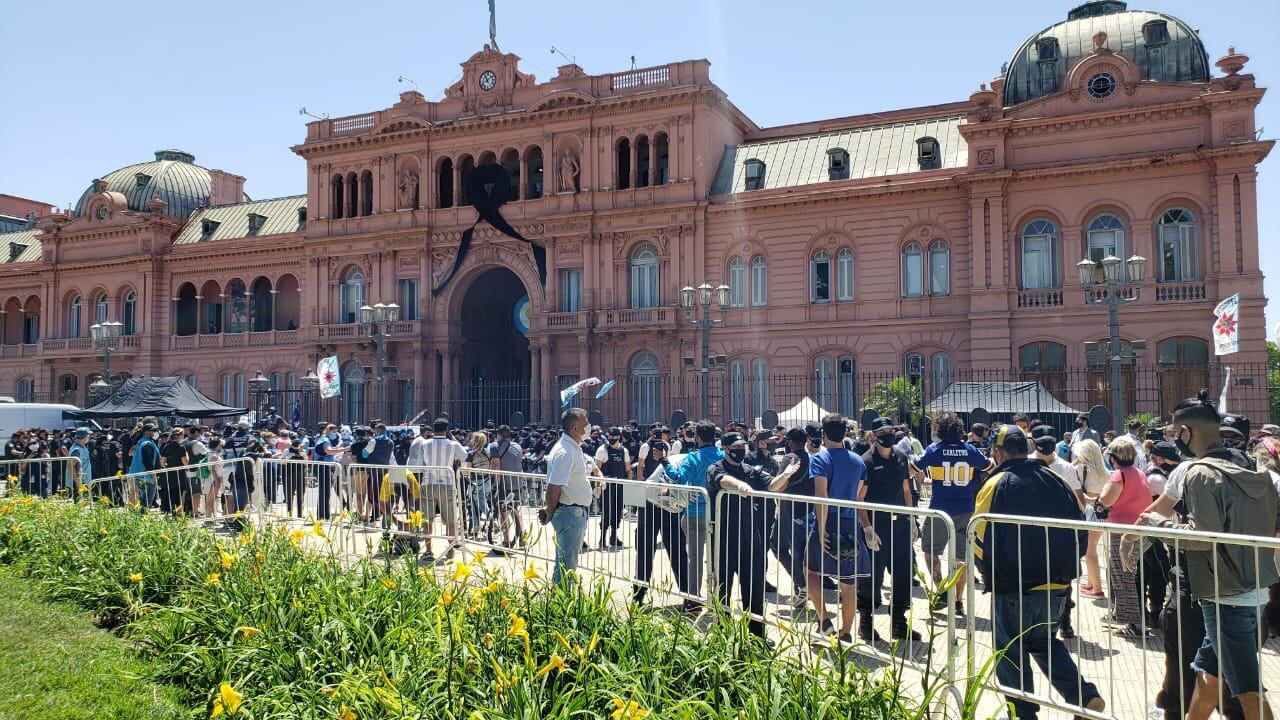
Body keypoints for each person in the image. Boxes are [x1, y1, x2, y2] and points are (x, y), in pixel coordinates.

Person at [1143, 392, 1280, 720]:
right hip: (1247, 588)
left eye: (1177, 433)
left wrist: (1158, 523)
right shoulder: (1254, 470)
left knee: (1247, 691)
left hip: (1226, 597)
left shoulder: (1199, 473)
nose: (1176, 440)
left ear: (1187, 432)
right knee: (1207, 677)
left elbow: (1201, 538)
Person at [973, 424, 1104, 720]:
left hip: (1013, 586)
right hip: (1056, 584)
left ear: (998, 451)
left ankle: (1022, 713)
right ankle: (1083, 696)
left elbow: (977, 536)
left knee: (1009, 652)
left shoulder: (996, 483)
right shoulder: (1056, 480)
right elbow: (1079, 528)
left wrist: (988, 572)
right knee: (1043, 643)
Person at [913, 411, 993, 615]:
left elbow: (913, 466)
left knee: (930, 550)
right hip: (966, 508)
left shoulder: (934, 450)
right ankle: (957, 599)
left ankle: (941, 590)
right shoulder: (969, 450)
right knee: (961, 557)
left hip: (940, 508)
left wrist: (927, 478)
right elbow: (989, 466)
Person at [707, 432, 783, 639]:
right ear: (725, 448)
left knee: (755, 590)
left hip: (751, 539)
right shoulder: (716, 468)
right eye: (735, 446)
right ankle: (722, 633)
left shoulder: (751, 470)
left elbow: (772, 485)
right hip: (723, 540)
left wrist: (788, 473)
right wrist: (739, 485)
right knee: (722, 589)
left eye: (742, 446)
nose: (740, 450)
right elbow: (722, 480)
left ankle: (757, 634)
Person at [806, 413, 872, 642]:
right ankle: (846, 633)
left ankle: (824, 619)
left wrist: (822, 528)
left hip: (828, 519)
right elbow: (859, 496)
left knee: (811, 571)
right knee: (849, 581)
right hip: (850, 521)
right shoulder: (858, 461)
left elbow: (821, 495)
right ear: (845, 433)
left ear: (823, 435)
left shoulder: (820, 460)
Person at [856, 417, 920, 642]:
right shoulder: (866, 461)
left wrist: (911, 518)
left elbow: (906, 489)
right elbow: (860, 499)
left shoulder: (901, 457)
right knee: (872, 576)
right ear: (873, 435)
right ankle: (866, 621)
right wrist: (867, 528)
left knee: (903, 573)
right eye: (882, 431)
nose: (887, 435)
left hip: (900, 523)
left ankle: (899, 622)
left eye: (890, 430)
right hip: (877, 525)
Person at [663, 420, 723, 613]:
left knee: (695, 559)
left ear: (697, 438)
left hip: (695, 512)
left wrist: (665, 462)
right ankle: (718, 599)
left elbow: (678, 477)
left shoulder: (693, 457)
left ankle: (693, 601)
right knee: (717, 559)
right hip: (718, 513)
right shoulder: (722, 455)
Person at [1097, 438, 1151, 637]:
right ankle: (1120, 613)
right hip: (1139, 530)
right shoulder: (1139, 473)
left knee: (1123, 575)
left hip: (1122, 533)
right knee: (1124, 572)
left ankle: (1134, 623)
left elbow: (1106, 500)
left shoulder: (1119, 476)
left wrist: (1102, 493)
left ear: (1113, 457)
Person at [632, 439, 690, 604]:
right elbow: (664, 487)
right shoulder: (685, 462)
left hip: (671, 505)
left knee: (678, 550)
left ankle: (689, 596)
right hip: (652, 502)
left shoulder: (691, 461)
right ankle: (638, 596)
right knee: (645, 550)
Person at [540, 408, 593, 586]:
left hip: (573, 512)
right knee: (566, 566)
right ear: (574, 428)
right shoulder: (566, 452)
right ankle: (561, 603)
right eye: (585, 425)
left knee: (567, 563)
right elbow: (554, 486)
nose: (589, 428)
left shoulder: (571, 448)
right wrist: (549, 511)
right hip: (570, 513)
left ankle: (561, 599)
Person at [411, 419, 467, 564]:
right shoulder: (452, 444)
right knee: (450, 519)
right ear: (447, 429)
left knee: (427, 519)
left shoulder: (424, 443)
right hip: (447, 482)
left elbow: (418, 465)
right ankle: (450, 548)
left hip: (428, 482)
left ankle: (429, 550)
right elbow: (464, 456)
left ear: (433, 430)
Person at [1071, 438, 1108, 599]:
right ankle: (1092, 583)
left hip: (1089, 511)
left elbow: (1068, 473)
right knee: (1091, 549)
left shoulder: (1079, 468)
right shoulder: (1104, 470)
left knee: (1089, 551)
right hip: (1101, 513)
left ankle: (1097, 589)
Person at [486, 425, 525, 549]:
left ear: (499, 435)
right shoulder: (518, 446)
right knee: (515, 511)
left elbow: (496, 466)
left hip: (504, 485)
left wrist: (495, 486)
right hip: (518, 484)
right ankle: (522, 537)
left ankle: (507, 540)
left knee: (503, 512)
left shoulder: (494, 446)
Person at [594, 427, 631, 549]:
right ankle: (602, 538)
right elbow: (597, 468)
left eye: (614, 438)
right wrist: (598, 484)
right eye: (610, 437)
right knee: (606, 511)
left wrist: (629, 484)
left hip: (619, 484)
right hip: (607, 485)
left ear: (619, 437)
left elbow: (628, 469)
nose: (611, 440)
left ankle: (614, 536)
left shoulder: (623, 450)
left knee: (618, 510)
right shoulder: (602, 450)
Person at [311, 424, 346, 520]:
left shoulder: (326, 440)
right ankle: (323, 516)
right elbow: (329, 451)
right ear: (329, 431)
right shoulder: (324, 440)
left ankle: (323, 515)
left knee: (326, 492)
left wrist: (339, 447)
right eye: (334, 431)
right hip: (323, 467)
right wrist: (346, 449)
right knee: (325, 492)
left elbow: (331, 449)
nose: (335, 434)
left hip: (325, 467)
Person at [127, 423, 161, 511]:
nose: (156, 433)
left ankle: (140, 516)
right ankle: (142, 516)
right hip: (145, 475)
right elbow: (148, 462)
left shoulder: (141, 442)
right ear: (146, 432)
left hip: (139, 474)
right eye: (153, 431)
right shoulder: (146, 444)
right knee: (146, 500)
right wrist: (153, 475)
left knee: (142, 499)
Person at [67, 428, 92, 496]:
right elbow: (70, 466)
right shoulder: (76, 450)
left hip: (84, 481)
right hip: (79, 482)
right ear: (85, 437)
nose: (89, 437)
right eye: (88, 435)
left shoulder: (83, 447)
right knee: (80, 503)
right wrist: (78, 482)